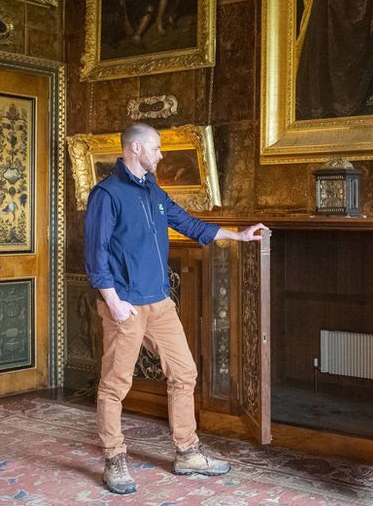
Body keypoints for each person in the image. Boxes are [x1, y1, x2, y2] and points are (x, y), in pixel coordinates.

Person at [84, 122, 267, 494]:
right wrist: (113, 302)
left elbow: (188, 224)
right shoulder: (106, 194)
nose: (161, 155)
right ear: (135, 148)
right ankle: (114, 458)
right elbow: (95, 252)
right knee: (115, 384)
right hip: (126, 306)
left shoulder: (153, 190)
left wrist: (238, 234)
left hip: (160, 304)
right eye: (156, 148)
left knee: (184, 373)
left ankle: (187, 452)